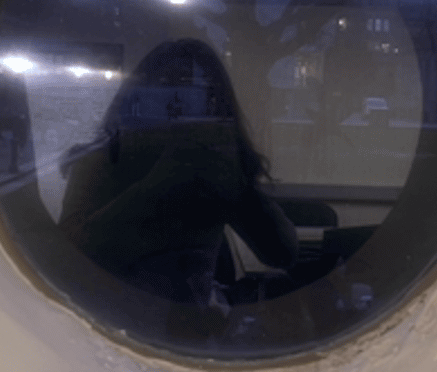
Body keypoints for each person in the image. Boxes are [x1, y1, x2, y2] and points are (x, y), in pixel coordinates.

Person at [59, 38, 297, 308]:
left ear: (215, 108)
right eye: (165, 90)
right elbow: (68, 261)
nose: (177, 108)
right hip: (109, 317)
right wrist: (158, 185)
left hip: (188, 320)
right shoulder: (101, 160)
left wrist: (237, 183)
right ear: (137, 98)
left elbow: (282, 253)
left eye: (193, 94)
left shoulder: (210, 164)